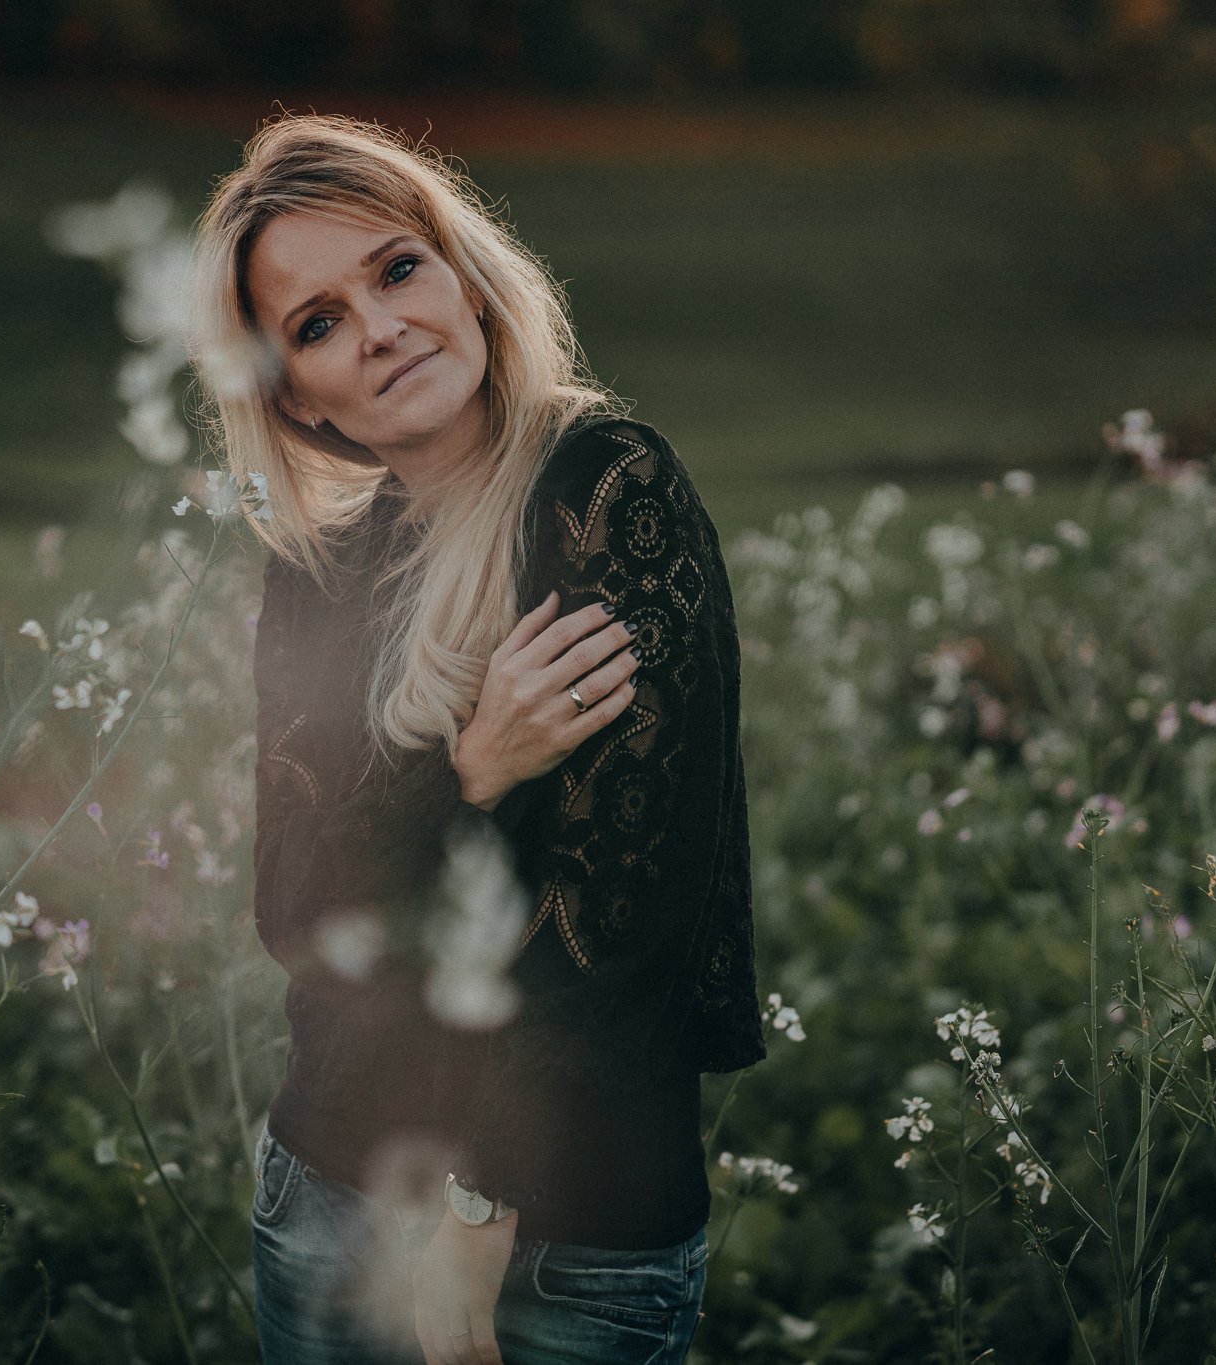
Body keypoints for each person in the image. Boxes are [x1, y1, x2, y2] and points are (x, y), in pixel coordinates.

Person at [188, 114, 764, 1364]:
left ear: (462, 274)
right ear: (296, 398)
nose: (381, 325)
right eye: (318, 323)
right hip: (327, 1201)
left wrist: (474, 1215)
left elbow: (617, 918)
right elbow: (299, 908)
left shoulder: (607, 490)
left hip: (565, 1245)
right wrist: (468, 772)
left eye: (396, 269)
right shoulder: (319, 565)